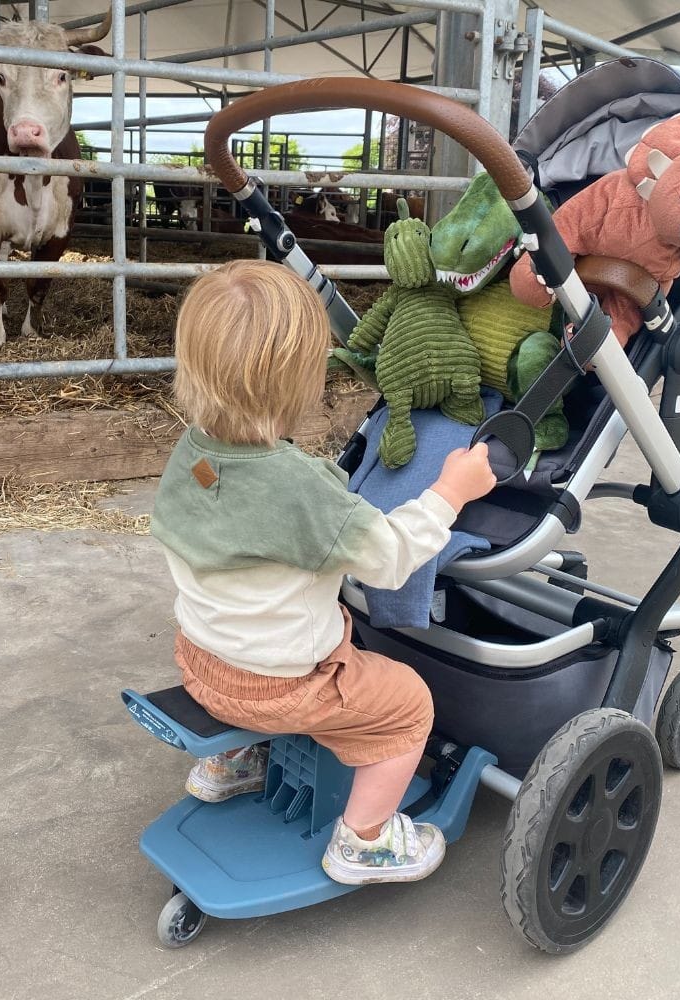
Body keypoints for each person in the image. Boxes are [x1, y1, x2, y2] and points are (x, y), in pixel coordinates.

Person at [151, 260, 496, 885]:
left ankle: (230, 762)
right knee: (409, 705)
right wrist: (449, 490)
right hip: (280, 688)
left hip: (199, 662)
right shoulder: (302, 491)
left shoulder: (191, 455)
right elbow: (389, 560)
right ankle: (364, 843)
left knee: (260, 629)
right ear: (300, 382)